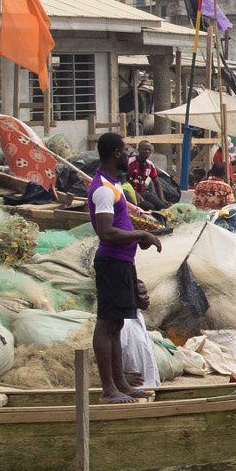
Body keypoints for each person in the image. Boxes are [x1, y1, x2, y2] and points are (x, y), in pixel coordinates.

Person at [88, 134, 163, 403]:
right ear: (115, 154)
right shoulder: (104, 189)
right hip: (111, 262)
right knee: (106, 324)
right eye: (126, 150)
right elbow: (106, 232)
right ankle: (109, 390)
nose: (128, 155)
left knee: (117, 324)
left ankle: (120, 383)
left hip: (122, 262)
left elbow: (119, 225)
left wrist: (136, 237)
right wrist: (140, 236)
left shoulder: (113, 184)